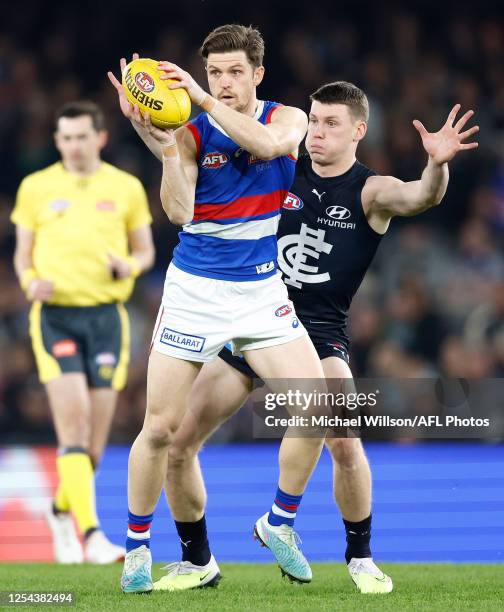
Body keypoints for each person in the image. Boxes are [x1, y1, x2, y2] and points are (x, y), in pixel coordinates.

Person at [159, 82, 479, 593]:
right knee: (178, 443)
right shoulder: (278, 166)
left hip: (318, 330)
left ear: (359, 130)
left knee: (345, 440)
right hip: (248, 320)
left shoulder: (369, 192)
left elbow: (420, 196)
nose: (317, 133)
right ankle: (198, 560)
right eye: (314, 120)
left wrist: (437, 165)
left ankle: (356, 555)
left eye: (332, 123)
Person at [108, 24, 330, 593]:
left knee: (318, 404)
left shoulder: (289, 118)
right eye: (213, 73)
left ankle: (278, 521)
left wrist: (203, 103)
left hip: (260, 292)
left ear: (258, 74)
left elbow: (269, 147)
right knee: (160, 429)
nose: (223, 83)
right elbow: (180, 212)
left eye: (235, 72)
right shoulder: (192, 129)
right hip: (195, 294)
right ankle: (136, 547)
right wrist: (163, 147)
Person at [11, 101, 155, 564]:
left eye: (81, 136)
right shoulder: (36, 187)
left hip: (107, 319)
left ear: (100, 137)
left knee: (92, 447)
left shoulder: (126, 187)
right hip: (56, 317)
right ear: (57, 142)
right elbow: (22, 255)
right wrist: (30, 281)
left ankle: (59, 511)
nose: (73, 146)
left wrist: (128, 265)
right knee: (72, 429)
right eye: (65, 138)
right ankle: (91, 534)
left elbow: (146, 252)